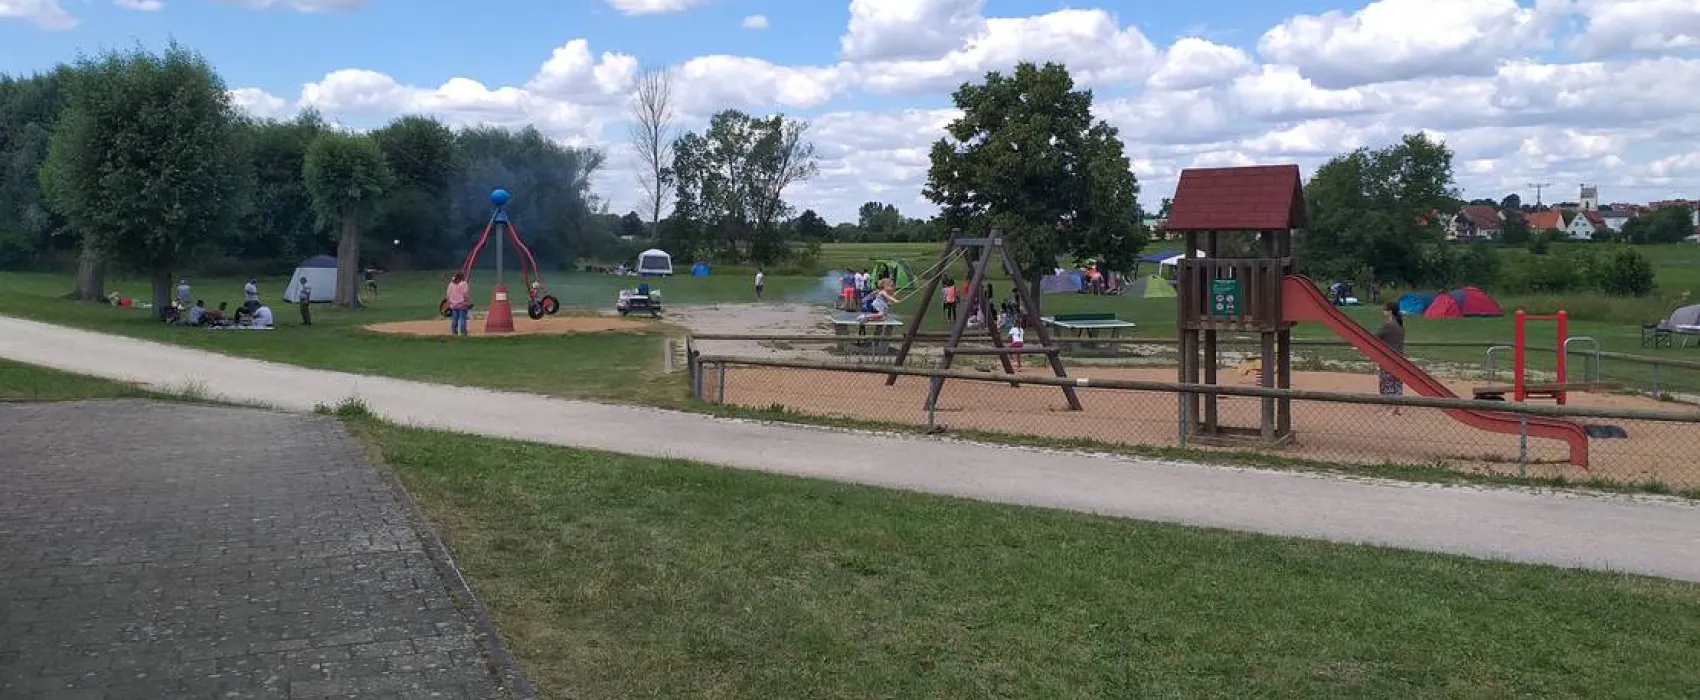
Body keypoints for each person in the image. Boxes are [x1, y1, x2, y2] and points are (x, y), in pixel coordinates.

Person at [1376, 301, 1406, 415]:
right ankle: (1397, 407)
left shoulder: (1388, 326)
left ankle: (1388, 408)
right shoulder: (1400, 325)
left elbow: (1375, 338)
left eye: (1385, 309)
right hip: (1400, 358)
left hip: (1388, 358)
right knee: (1397, 383)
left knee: (1386, 383)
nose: (1383, 311)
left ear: (1389, 312)